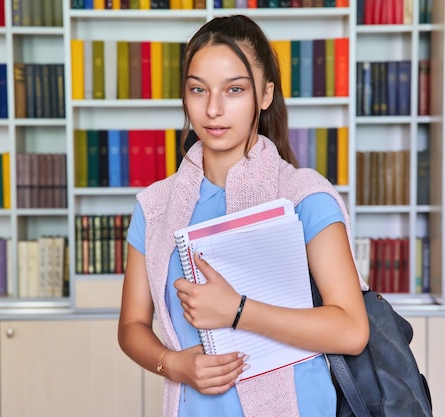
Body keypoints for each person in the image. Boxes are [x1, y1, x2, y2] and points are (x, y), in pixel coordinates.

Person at [117, 14, 369, 417]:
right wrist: (175, 364)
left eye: (234, 89)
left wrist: (236, 310)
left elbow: (352, 330)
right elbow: (131, 327)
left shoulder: (303, 197)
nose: (213, 109)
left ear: (265, 94)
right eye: (198, 89)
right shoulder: (155, 207)